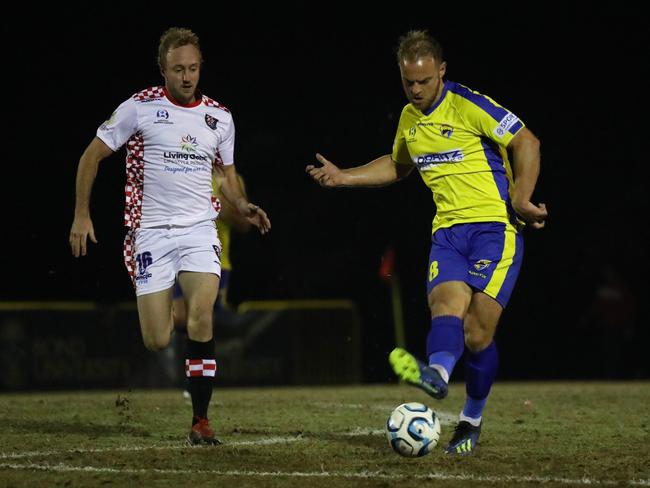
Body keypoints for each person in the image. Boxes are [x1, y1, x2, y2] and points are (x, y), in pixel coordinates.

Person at [306, 30, 546, 455]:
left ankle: (470, 421)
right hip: (448, 234)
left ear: (441, 71)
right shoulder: (408, 119)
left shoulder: (468, 105)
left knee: (477, 333)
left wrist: (522, 197)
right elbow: (398, 166)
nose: (415, 90)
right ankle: (435, 374)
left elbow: (527, 141)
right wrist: (344, 176)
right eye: (408, 82)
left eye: (424, 81)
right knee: (445, 306)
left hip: (495, 229)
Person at [69, 27, 271, 445]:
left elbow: (228, 179)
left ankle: (200, 420)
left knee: (202, 315)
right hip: (151, 234)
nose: (186, 77)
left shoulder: (220, 117)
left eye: (193, 69)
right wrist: (81, 214)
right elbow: (91, 156)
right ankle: (187, 389)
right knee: (157, 338)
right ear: (162, 69)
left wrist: (243, 205)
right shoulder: (138, 109)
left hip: (200, 230)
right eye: (178, 69)